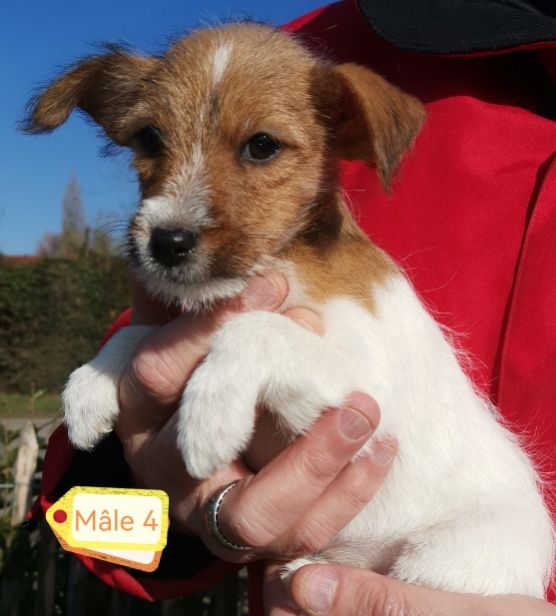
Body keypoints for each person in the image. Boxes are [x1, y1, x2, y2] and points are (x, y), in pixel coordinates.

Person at [29, 0, 556, 613]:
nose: (180, 207)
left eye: (259, 148)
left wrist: (246, 355)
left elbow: (359, 404)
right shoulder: (296, 47)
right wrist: (162, 491)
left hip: (470, 534)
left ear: (350, 134)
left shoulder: (348, 253)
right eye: (151, 140)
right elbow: (85, 519)